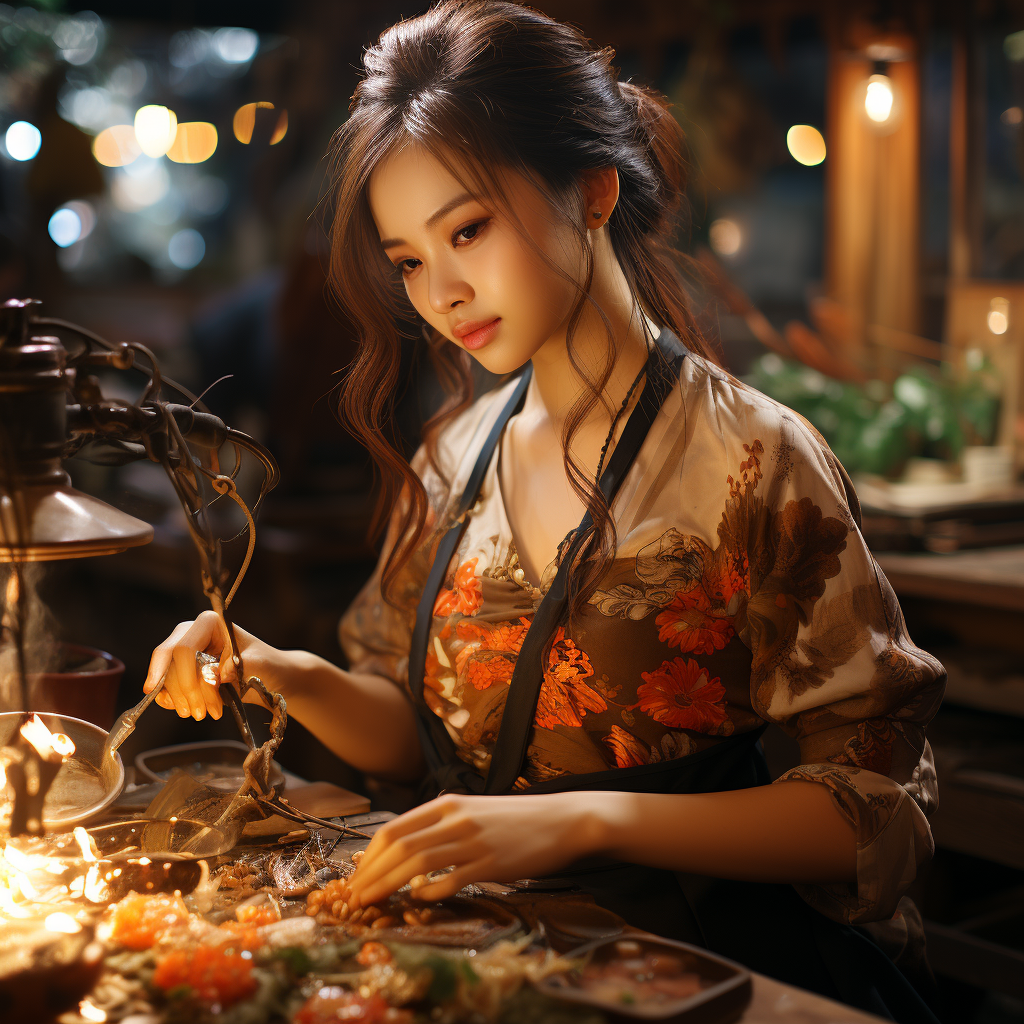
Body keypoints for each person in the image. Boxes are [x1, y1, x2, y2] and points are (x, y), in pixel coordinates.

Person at [142, 4, 944, 1020]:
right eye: (408, 260)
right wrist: (274, 667)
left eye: (466, 229)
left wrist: (586, 821)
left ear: (594, 191)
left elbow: (873, 810)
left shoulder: (748, 458)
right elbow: (411, 731)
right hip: (492, 959)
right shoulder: (451, 454)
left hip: (693, 968)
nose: (441, 291)